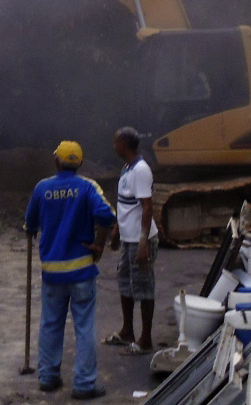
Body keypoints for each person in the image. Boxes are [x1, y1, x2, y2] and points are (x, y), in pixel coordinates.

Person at [25, 141, 115, 400]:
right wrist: (99, 243)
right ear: (80, 163)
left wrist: (34, 229)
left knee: (51, 324)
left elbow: (29, 224)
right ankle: (84, 384)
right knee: (84, 327)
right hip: (82, 271)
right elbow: (107, 215)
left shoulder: (42, 188)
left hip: (52, 272)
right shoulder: (87, 187)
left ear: (56, 161)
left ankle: (48, 377)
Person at [103, 126, 159, 355]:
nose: (113, 145)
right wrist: (117, 230)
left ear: (124, 144)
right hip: (128, 239)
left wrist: (143, 243)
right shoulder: (127, 169)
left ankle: (145, 339)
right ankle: (128, 332)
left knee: (144, 286)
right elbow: (125, 204)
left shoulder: (141, 171)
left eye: (116, 141)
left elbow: (147, 208)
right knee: (125, 282)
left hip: (140, 240)